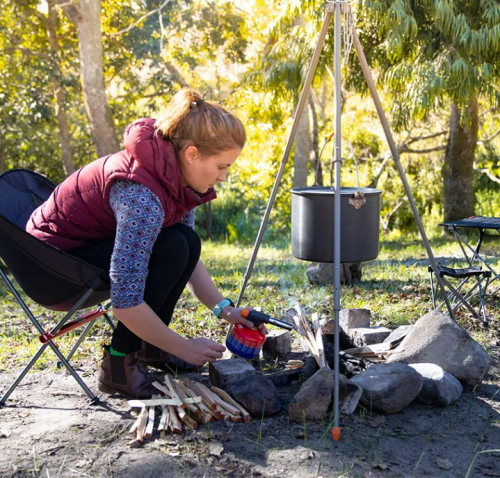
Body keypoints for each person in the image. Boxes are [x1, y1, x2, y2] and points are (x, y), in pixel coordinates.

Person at [26, 88, 262, 398]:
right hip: (50, 265)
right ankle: (119, 365)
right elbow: (125, 302)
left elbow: (187, 257)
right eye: (222, 167)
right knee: (174, 246)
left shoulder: (177, 178)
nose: (224, 178)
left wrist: (224, 309)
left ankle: (150, 348)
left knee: (184, 241)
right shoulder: (142, 197)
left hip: (84, 247)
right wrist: (183, 346)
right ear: (191, 154)